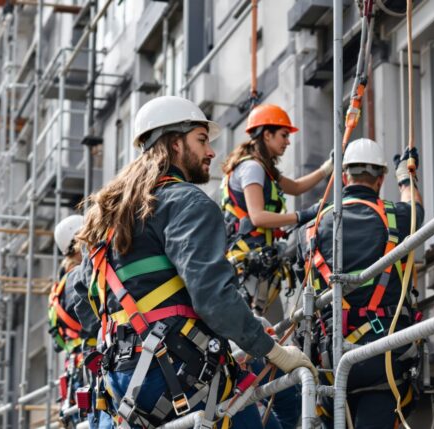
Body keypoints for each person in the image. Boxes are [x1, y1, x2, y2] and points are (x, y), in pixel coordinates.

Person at [75, 96, 315, 429]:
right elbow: (212, 297)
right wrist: (273, 351)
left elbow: (83, 302)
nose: (211, 152)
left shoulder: (110, 216)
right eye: (201, 140)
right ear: (175, 144)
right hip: (180, 374)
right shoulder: (187, 202)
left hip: (122, 382)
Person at [296, 138, 424, 429]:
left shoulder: (311, 228)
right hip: (384, 354)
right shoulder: (399, 217)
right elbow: (416, 209)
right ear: (380, 180)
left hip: (329, 356)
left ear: (343, 178)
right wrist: (406, 177)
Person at [221, 103, 332, 315]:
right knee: (262, 330)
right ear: (267, 135)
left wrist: (327, 168)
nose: (288, 142)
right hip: (250, 261)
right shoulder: (252, 168)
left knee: (266, 331)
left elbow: (297, 187)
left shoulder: (264, 170)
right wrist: (301, 215)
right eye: (284, 135)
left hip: (257, 262)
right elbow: (258, 217)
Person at [49, 215, 109, 428]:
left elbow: (57, 343)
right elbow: (92, 319)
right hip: (89, 364)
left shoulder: (59, 289)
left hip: (75, 366)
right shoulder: (78, 278)